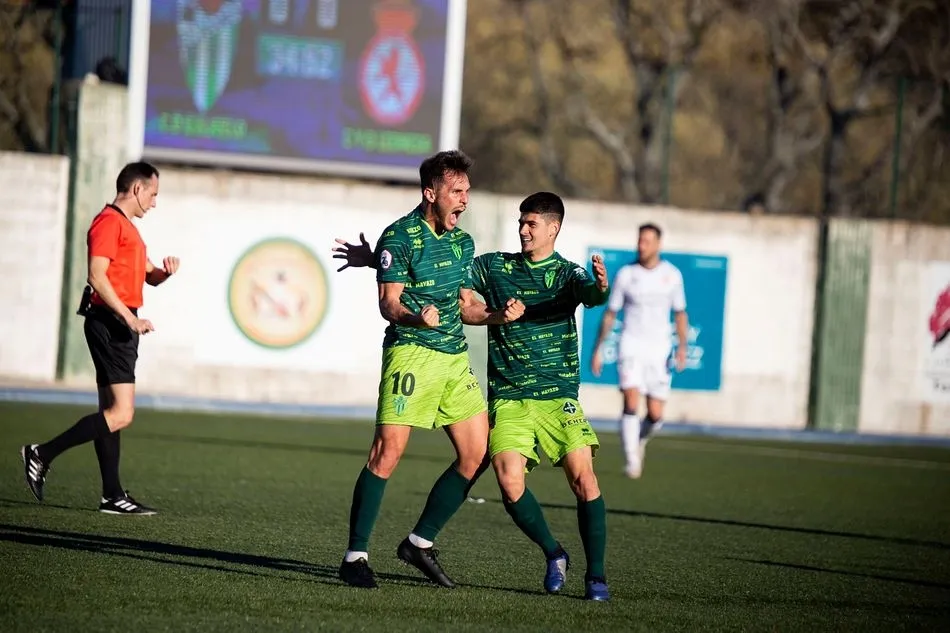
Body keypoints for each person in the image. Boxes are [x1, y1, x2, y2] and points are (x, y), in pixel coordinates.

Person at [335, 191, 612, 601]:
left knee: (580, 476)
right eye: (521, 221)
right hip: (506, 396)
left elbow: (590, 294)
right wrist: (378, 258)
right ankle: (554, 553)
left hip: (556, 397)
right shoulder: (494, 266)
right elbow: (440, 274)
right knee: (501, 478)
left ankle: (596, 578)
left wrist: (601, 288)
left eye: (531, 224)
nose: (522, 229)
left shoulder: (567, 275)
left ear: (553, 229)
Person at [331, 150, 518, 590]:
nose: (465, 200)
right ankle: (355, 556)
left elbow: (467, 306)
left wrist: (497, 315)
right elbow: (388, 304)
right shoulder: (399, 236)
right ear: (430, 193)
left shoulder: (462, 243)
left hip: (453, 359)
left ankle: (419, 542)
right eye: (457, 191)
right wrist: (417, 318)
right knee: (388, 453)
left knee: (478, 453)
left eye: (468, 192)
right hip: (411, 352)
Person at [21, 161, 179, 515]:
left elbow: (146, 277)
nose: (154, 202)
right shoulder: (108, 222)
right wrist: (127, 317)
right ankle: (41, 453)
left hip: (119, 321)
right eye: (153, 194)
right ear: (137, 189)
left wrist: (164, 274)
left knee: (110, 412)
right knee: (122, 413)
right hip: (111, 322)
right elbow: (97, 275)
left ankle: (112, 495)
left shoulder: (128, 229)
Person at [590, 223, 689, 479]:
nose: (641, 246)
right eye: (639, 240)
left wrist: (682, 348)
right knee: (631, 401)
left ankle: (639, 440)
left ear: (658, 244)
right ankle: (632, 459)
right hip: (631, 345)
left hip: (660, 349)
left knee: (655, 415)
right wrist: (598, 349)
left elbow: (680, 314)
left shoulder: (672, 275)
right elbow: (610, 314)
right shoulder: (626, 274)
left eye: (647, 241)